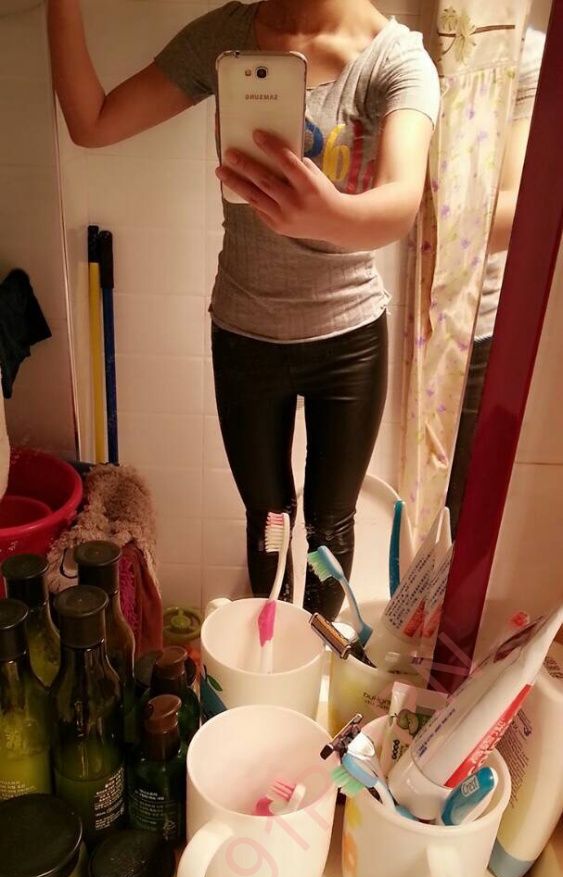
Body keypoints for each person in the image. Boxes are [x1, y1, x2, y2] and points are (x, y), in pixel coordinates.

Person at [48, 0, 440, 618]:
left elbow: (399, 204)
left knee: (330, 525)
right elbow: (92, 124)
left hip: (349, 338)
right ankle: (270, 649)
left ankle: (317, 648)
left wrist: (325, 214)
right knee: (269, 520)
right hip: (245, 334)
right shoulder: (227, 37)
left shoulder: (395, 59)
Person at [446, 27, 546, 535]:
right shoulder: (388, 39)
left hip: (480, 324)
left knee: (465, 517)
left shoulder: (525, 49)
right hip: (370, 319)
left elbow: (518, 212)